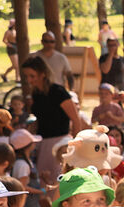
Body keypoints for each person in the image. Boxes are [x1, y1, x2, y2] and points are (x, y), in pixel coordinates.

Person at [22, 55, 84, 186]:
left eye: (32, 76)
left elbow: (76, 119)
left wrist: (74, 146)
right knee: (43, 181)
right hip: (42, 143)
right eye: (26, 76)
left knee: (59, 181)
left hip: (60, 143)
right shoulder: (36, 94)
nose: (29, 80)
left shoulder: (59, 92)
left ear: (42, 74)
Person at [2, 18, 20, 82]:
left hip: (16, 47)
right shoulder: (8, 32)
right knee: (16, 65)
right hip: (11, 49)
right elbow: (4, 40)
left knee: (15, 65)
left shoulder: (15, 31)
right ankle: (17, 78)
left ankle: (4, 75)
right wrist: (10, 45)